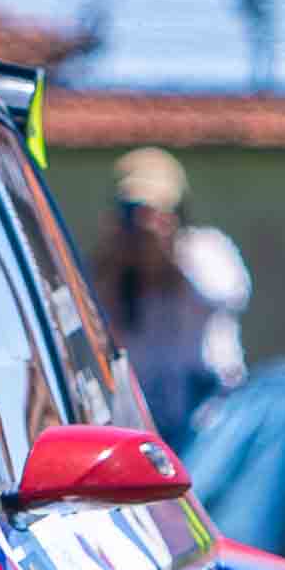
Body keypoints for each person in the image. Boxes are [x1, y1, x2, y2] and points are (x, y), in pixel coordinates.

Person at [105, 149, 252, 445]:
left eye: (155, 212)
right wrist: (116, 265)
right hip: (148, 427)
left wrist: (173, 256)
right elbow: (95, 328)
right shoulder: (116, 268)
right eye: (134, 214)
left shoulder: (205, 249)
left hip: (212, 421)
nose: (145, 226)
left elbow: (231, 295)